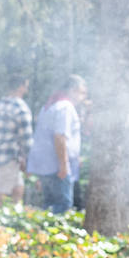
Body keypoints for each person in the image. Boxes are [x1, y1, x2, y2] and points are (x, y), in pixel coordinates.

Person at [24, 75, 88, 214]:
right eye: (82, 92)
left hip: (47, 165)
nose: (83, 97)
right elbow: (59, 137)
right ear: (73, 90)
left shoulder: (50, 105)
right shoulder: (65, 107)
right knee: (62, 205)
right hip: (56, 166)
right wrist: (63, 165)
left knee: (50, 204)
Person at [0, 74, 33, 206]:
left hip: (0, 155)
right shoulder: (20, 108)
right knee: (0, 195)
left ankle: (15, 213)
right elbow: (26, 139)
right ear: (20, 87)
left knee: (18, 188)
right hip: (10, 157)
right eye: (26, 86)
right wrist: (30, 161)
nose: (26, 90)